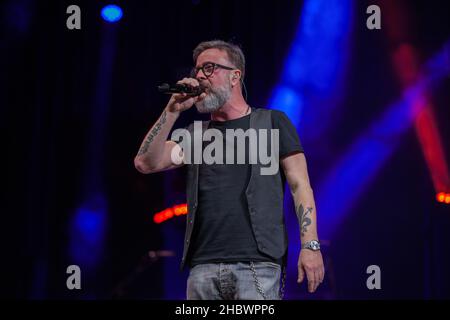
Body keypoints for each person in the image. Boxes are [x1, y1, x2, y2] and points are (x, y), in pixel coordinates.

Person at [134, 40, 324, 300]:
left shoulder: (273, 122)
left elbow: (300, 185)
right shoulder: (195, 136)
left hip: (257, 265)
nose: (199, 75)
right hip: (202, 267)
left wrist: (310, 245)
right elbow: (146, 162)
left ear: (235, 76)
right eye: (198, 70)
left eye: (209, 68)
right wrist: (172, 111)